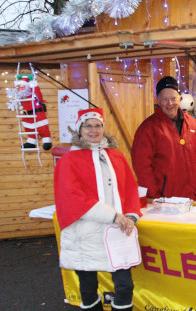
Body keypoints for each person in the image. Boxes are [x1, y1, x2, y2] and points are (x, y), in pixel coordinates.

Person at [54, 108, 142, 311]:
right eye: (88, 126)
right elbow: (74, 198)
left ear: (103, 128)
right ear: (79, 129)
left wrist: (130, 215)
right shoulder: (69, 161)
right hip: (85, 233)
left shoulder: (116, 157)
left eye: (97, 125)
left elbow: (129, 188)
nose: (93, 130)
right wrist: (113, 216)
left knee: (125, 286)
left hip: (117, 230)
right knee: (88, 287)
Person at [131, 76, 196, 200]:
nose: (170, 103)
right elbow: (142, 167)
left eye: (173, 98)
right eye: (165, 99)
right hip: (164, 201)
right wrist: (155, 196)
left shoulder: (192, 124)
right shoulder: (148, 128)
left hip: (191, 197)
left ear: (179, 99)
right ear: (158, 100)